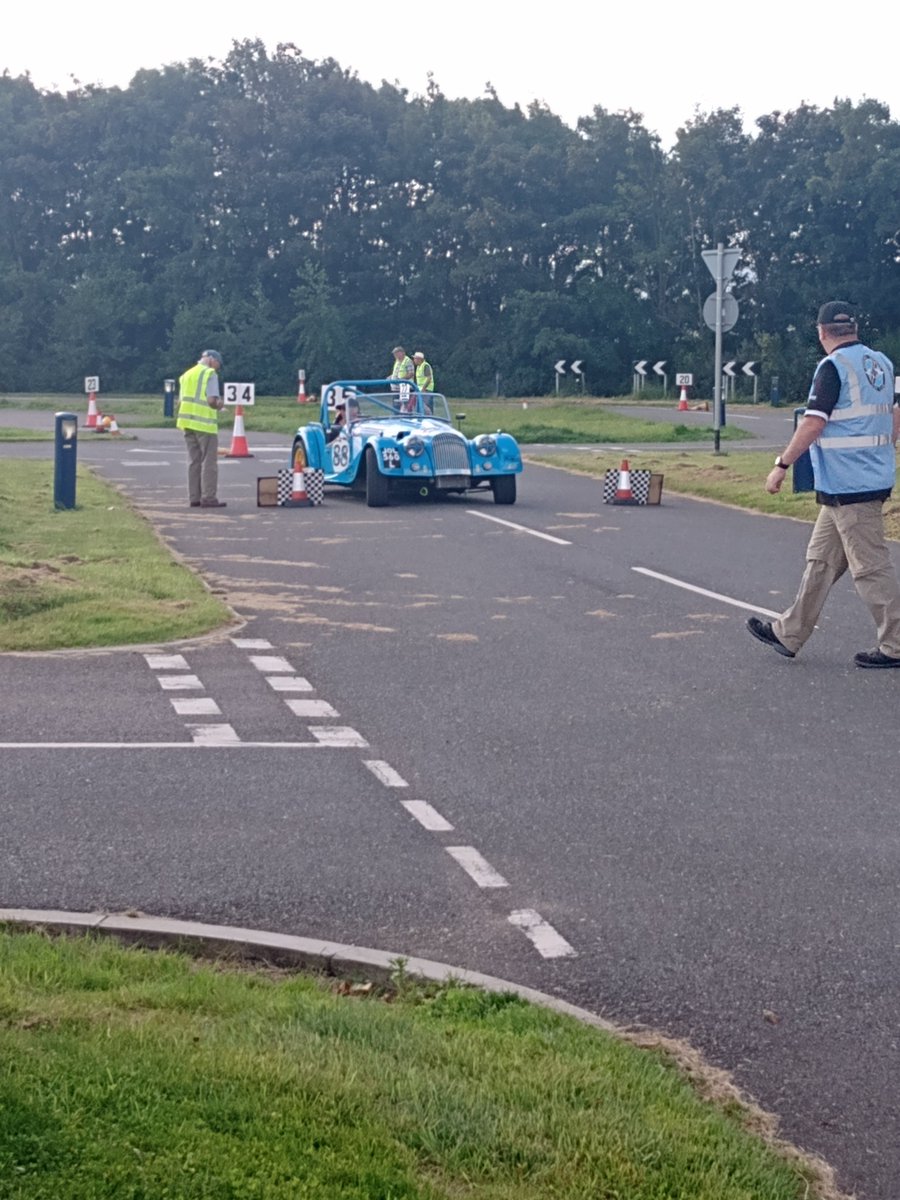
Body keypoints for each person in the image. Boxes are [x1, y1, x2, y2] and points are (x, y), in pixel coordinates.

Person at [746, 300, 900, 667]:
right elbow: (895, 415)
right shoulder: (880, 362)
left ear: (821, 332)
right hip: (854, 482)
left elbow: (813, 423)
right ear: (854, 328)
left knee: (870, 568)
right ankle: (789, 633)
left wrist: (782, 465)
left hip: (851, 487)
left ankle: (896, 645)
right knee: (821, 561)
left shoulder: (833, 368)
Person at [177, 349, 226, 508]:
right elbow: (211, 400)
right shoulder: (209, 374)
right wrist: (220, 405)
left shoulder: (187, 375)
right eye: (218, 364)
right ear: (212, 360)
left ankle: (194, 497)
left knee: (194, 461)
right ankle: (209, 497)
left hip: (187, 423)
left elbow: (181, 400)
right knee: (209, 462)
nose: (217, 368)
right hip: (204, 424)